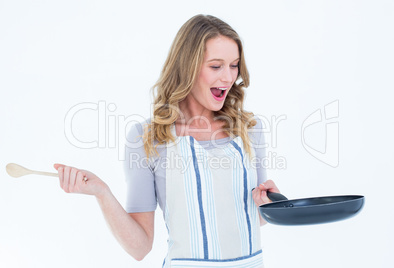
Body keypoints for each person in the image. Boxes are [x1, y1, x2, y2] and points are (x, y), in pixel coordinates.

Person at [54, 14, 280, 268]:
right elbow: (140, 248)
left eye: (234, 65)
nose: (228, 78)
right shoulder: (147, 138)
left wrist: (270, 205)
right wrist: (102, 192)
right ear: (187, 67)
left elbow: (255, 218)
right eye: (216, 66)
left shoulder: (249, 129)